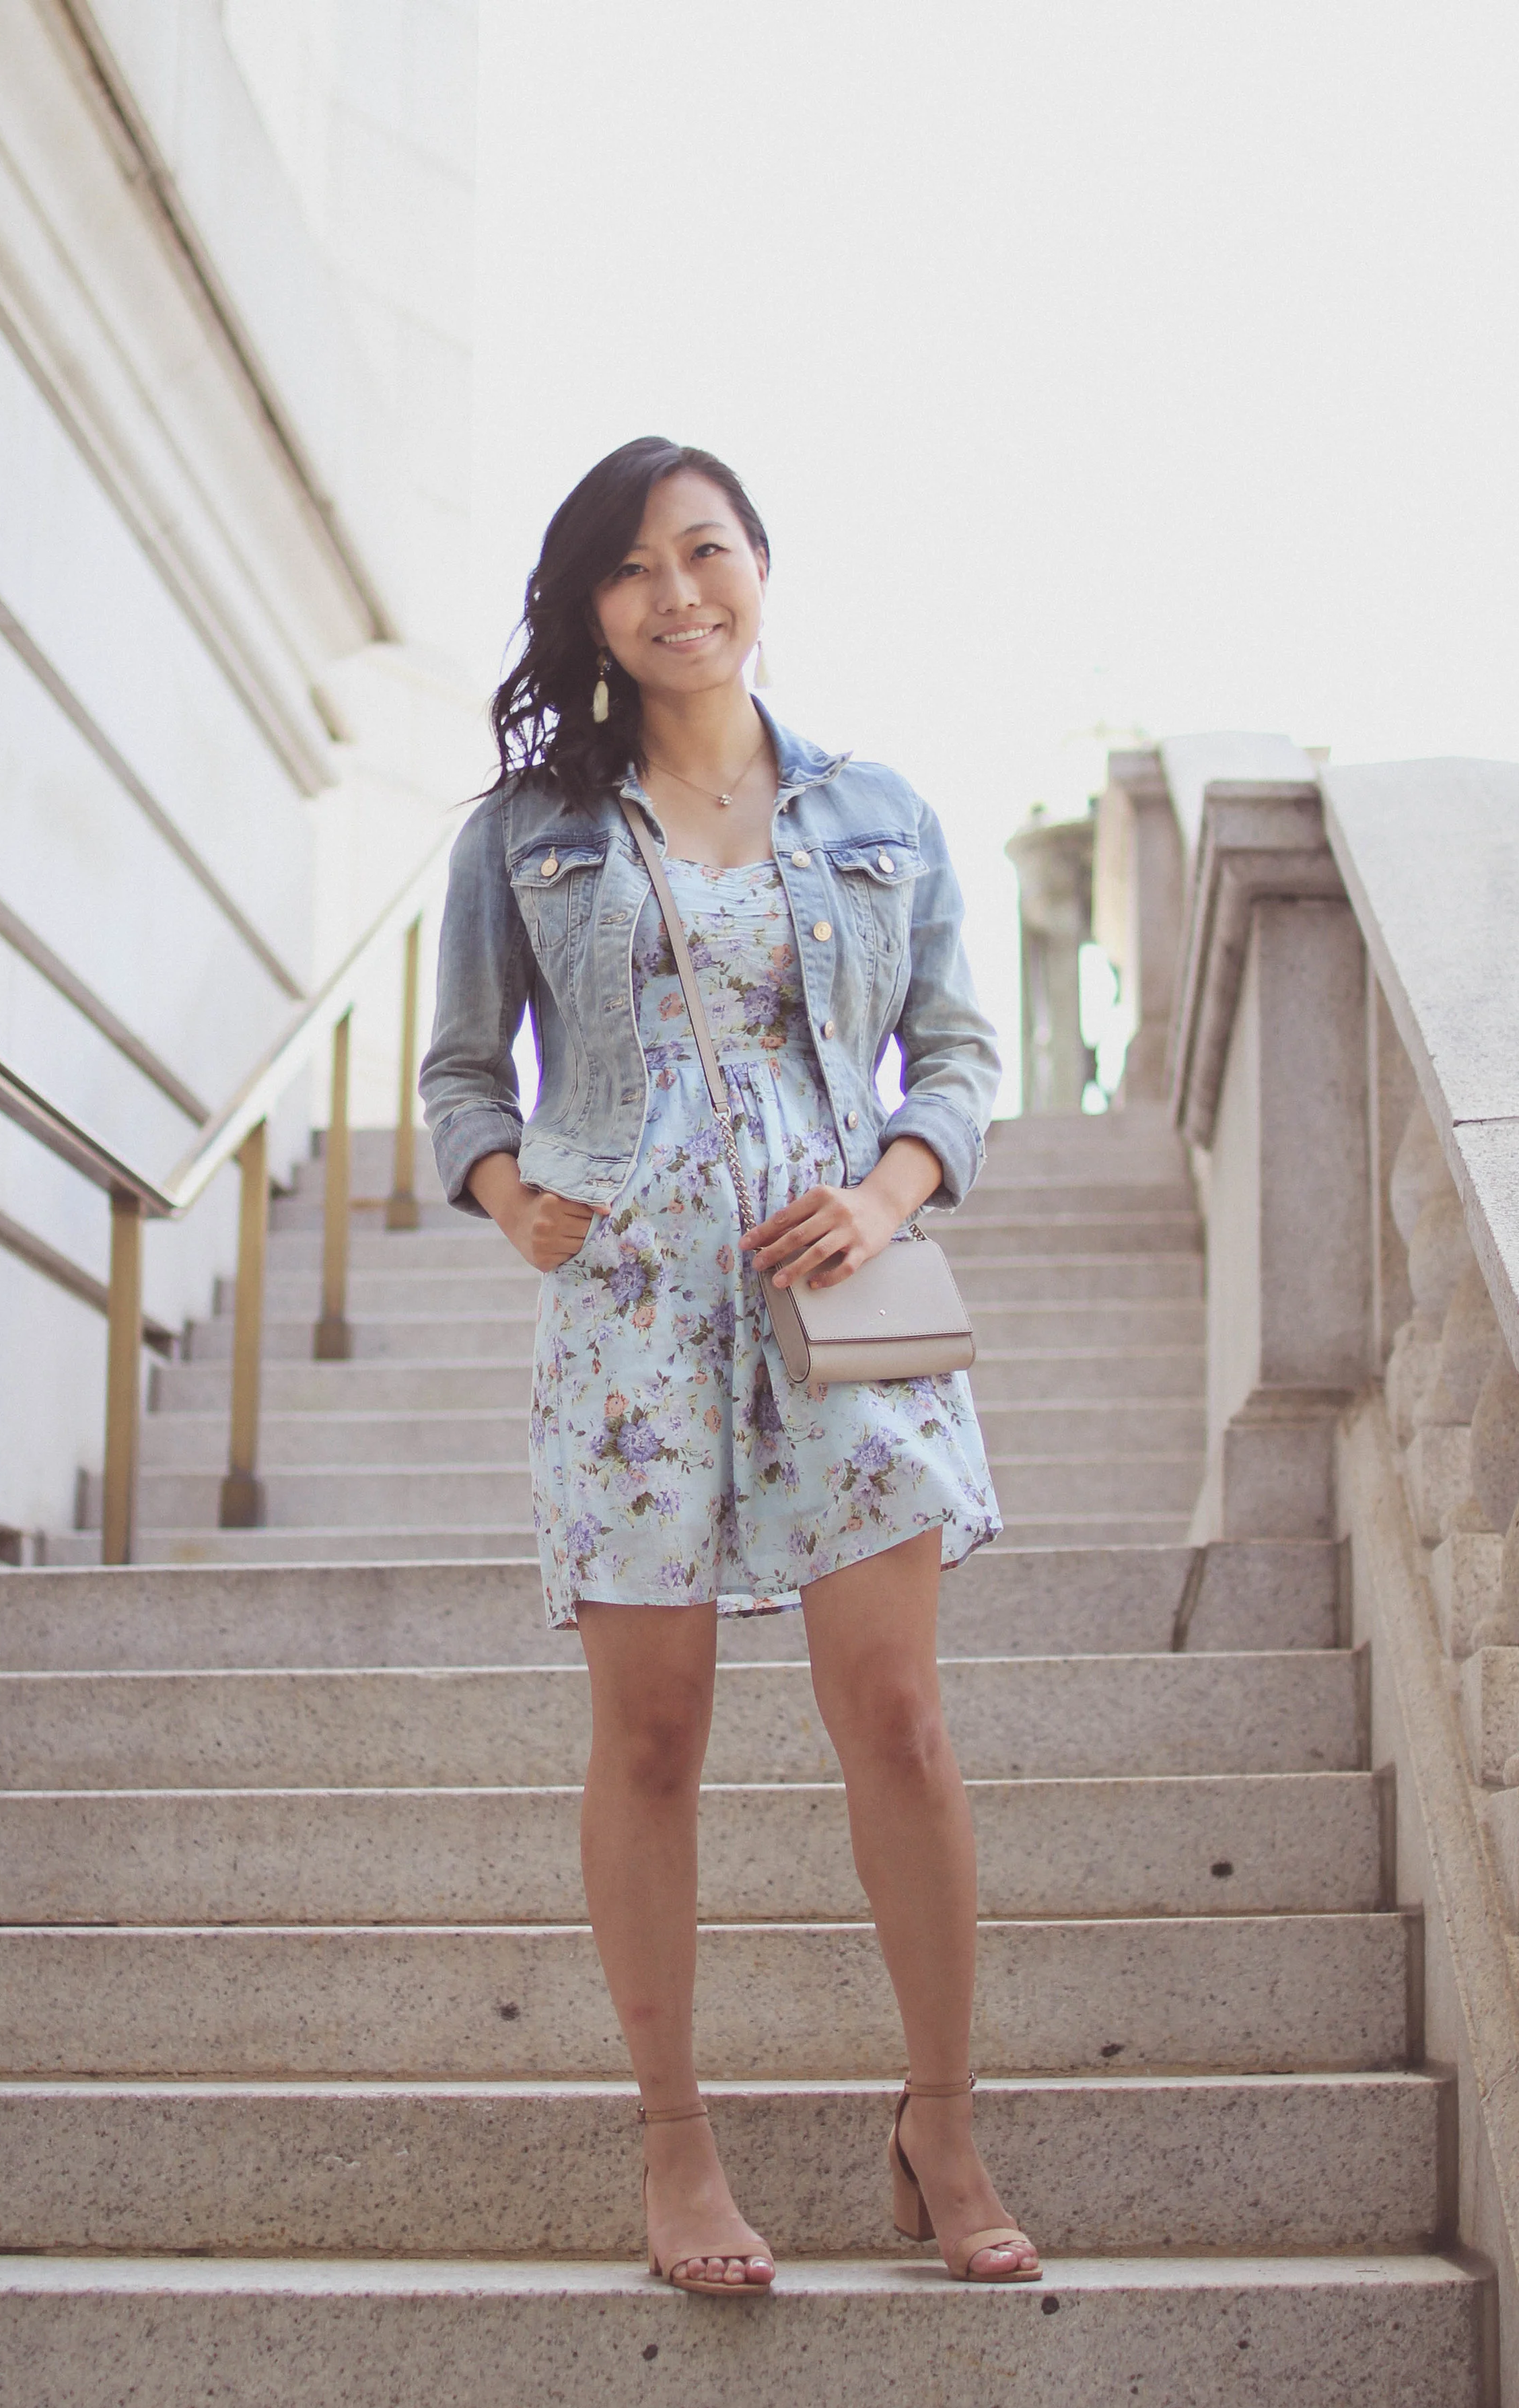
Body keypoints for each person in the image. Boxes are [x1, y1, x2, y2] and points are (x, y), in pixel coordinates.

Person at [421, 437, 1040, 2297]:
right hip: (629, 1307)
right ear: (589, 606)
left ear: (760, 565)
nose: (675, 592)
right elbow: (462, 1071)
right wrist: (510, 1191)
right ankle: (675, 2145)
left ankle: (942, 2119)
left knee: (898, 1715)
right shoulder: (524, 828)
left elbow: (956, 1052)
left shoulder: (879, 810)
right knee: (654, 1731)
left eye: (704, 550)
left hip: (837, 1293)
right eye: (631, 567)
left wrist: (888, 1190)